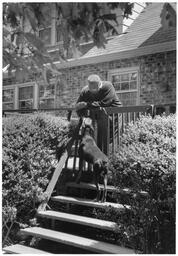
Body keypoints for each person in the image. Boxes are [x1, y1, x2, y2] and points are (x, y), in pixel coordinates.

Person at [75, 74, 122, 154]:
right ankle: (98, 162)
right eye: (91, 90)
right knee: (97, 141)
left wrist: (86, 104)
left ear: (100, 85)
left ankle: (109, 160)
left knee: (111, 143)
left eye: (96, 89)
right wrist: (82, 115)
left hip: (113, 117)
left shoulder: (108, 86)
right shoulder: (85, 91)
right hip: (97, 119)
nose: (94, 91)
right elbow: (78, 106)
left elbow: (104, 103)